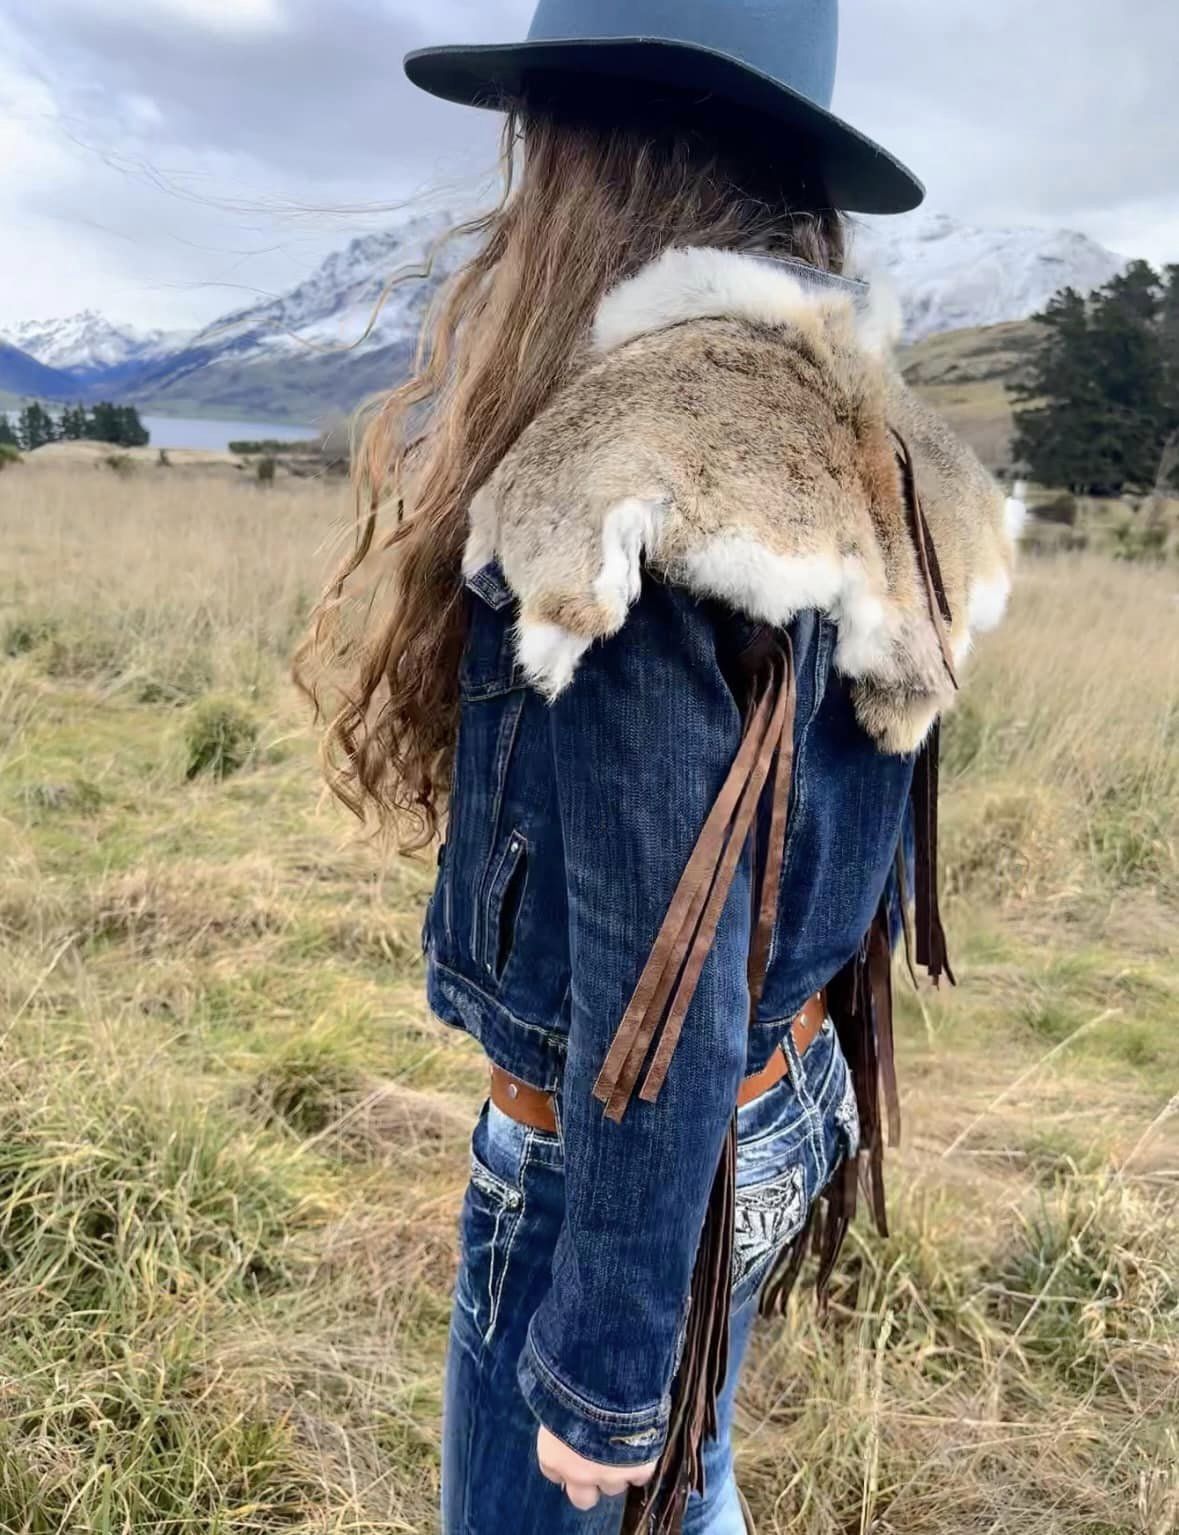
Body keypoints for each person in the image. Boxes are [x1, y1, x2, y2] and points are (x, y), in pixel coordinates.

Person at [300, 2, 1024, 1530]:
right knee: (692, 1485)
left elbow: (660, 977)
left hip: (612, 1161)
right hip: (775, 1100)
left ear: (590, 153)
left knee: (639, 1470)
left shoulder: (639, 466)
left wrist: (608, 1365)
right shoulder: (863, 432)